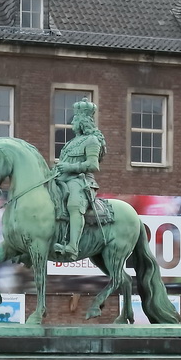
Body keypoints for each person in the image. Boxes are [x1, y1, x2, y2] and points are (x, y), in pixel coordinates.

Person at [55, 99, 106, 260]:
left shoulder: (92, 140)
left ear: (83, 121)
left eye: (75, 119)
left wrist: (70, 168)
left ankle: (72, 247)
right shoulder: (70, 143)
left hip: (81, 181)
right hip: (61, 179)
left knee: (74, 204)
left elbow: (93, 165)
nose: (72, 122)